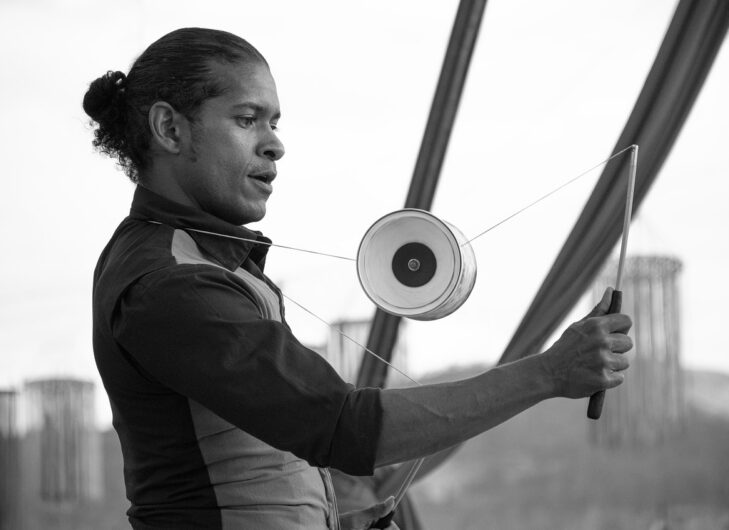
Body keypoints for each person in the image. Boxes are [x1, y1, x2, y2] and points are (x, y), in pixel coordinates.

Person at [86, 27, 633, 530]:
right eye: (247, 119)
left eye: (274, 123)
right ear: (169, 129)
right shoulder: (170, 283)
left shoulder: (203, 262)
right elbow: (340, 428)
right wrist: (549, 373)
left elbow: (260, 471)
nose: (275, 144)